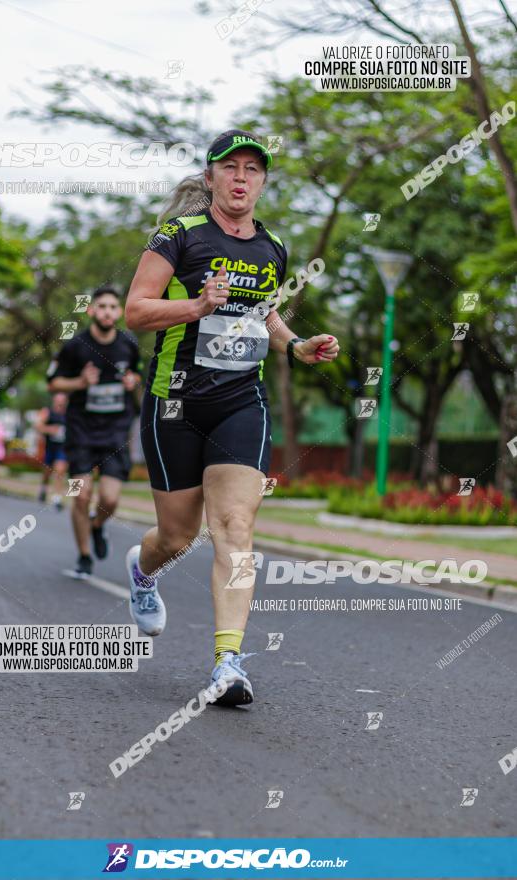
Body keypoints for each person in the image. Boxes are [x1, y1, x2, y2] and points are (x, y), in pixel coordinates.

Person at [124, 129, 340, 707]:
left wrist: (295, 345)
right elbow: (136, 310)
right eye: (231, 168)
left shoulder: (272, 248)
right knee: (177, 536)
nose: (242, 178)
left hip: (242, 400)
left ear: (263, 181)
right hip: (175, 400)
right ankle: (143, 573)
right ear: (213, 177)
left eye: (253, 169)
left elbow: (263, 316)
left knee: (236, 529)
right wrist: (195, 306)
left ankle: (228, 664)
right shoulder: (178, 236)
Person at [47, 286, 142, 578]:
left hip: (115, 431)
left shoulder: (128, 342)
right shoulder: (76, 346)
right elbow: (53, 383)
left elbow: (136, 375)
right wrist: (79, 383)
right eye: (101, 306)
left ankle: (98, 527)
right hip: (81, 431)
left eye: (113, 307)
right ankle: (84, 555)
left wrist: (132, 381)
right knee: (81, 494)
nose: (107, 312)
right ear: (91, 311)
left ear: (119, 312)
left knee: (110, 499)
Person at [35, 392, 68, 510]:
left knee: (60, 470)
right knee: (47, 472)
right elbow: (37, 426)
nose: (60, 402)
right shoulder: (47, 412)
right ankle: (43, 488)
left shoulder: (68, 414)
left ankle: (57, 497)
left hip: (63, 448)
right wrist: (50, 429)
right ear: (54, 400)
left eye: (63, 400)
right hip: (50, 447)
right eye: (58, 400)